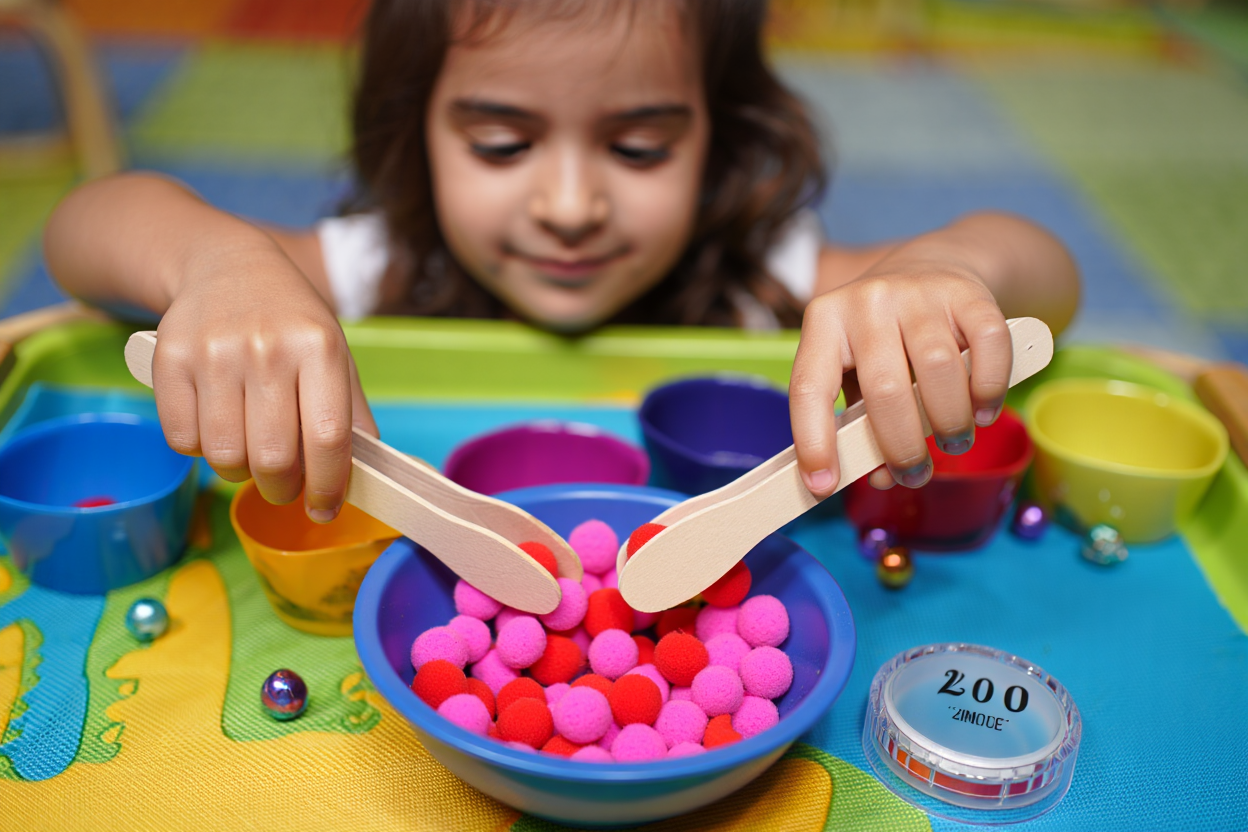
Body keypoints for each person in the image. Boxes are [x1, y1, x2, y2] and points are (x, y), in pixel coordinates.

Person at [44, 0, 1079, 525]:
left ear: (717, 133)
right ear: (418, 129)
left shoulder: (761, 271)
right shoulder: (380, 263)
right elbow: (84, 228)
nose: (571, 207)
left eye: (640, 147)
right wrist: (216, 264)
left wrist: (943, 267)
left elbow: (1047, 274)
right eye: (502, 145)